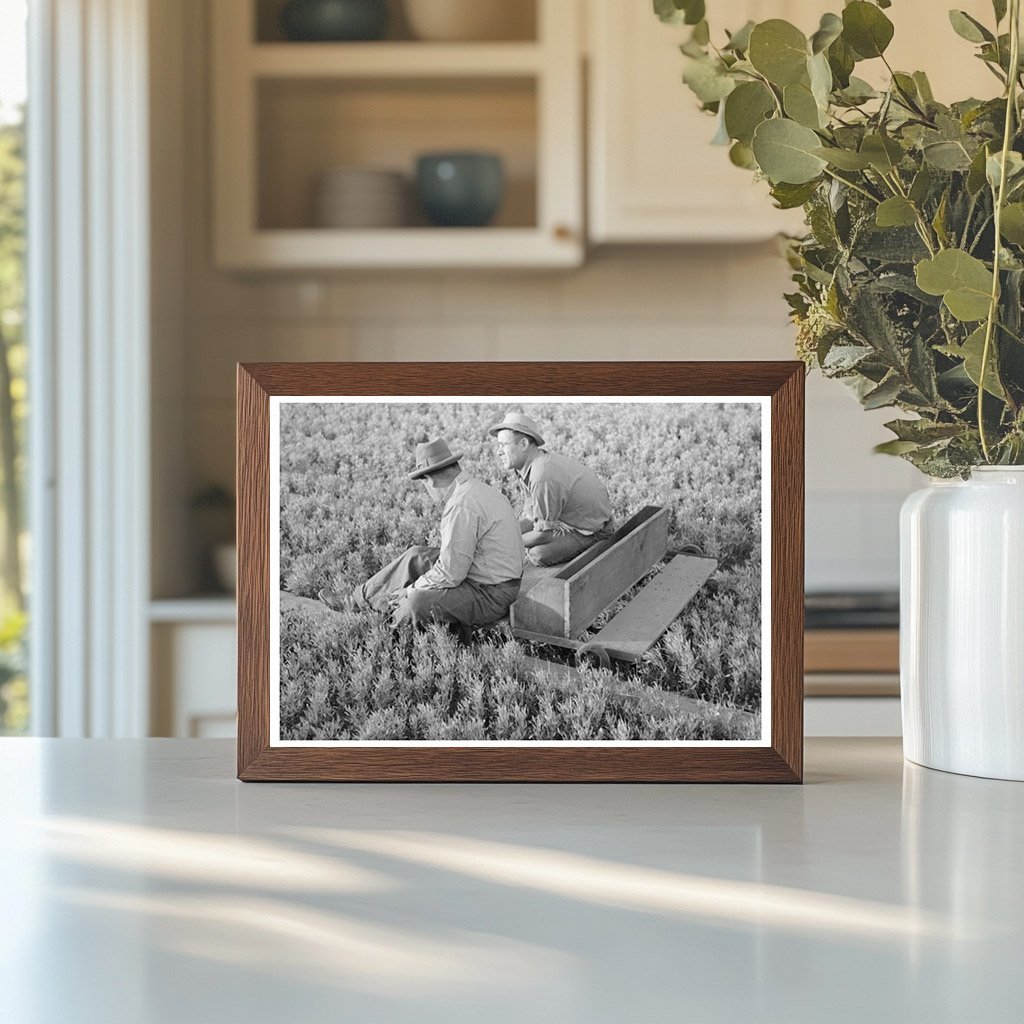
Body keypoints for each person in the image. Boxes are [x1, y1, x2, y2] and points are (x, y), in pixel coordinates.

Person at [318, 438, 524, 629]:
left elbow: (452, 574)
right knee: (416, 555)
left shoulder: (461, 505)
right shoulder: (476, 490)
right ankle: (356, 602)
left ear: (430, 480)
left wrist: (410, 590)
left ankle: (379, 630)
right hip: (488, 576)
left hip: (492, 594)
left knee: (415, 603)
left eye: (423, 483)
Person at [488, 411, 614, 567]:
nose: (499, 452)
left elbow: (544, 535)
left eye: (504, 445)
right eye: (498, 445)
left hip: (594, 529)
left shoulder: (541, 474)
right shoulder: (527, 467)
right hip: (573, 520)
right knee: (510, 537)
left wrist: (507, 545)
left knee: (537, 555)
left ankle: (591, 545)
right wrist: (502, 535)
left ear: (523, 444)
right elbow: (530, 517)